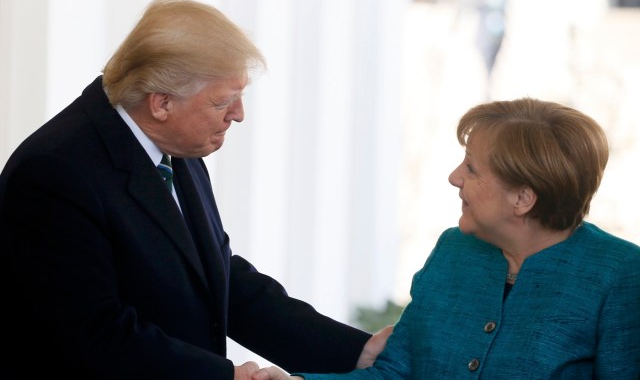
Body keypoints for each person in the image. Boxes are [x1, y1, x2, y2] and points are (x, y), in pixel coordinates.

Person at [0, 0, 391, 380]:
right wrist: (227, 376)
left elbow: (219, 282)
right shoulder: (54, 173)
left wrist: (354, 351)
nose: (238, 115)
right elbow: (95, 334)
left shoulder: (173, 145)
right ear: (162, 103)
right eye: (224, 101)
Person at [253, 97, 640, 379]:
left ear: (522, 198)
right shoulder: (454, 251)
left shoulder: (621, 274)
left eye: (471, 168)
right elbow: (395, 374)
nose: (454, 177)